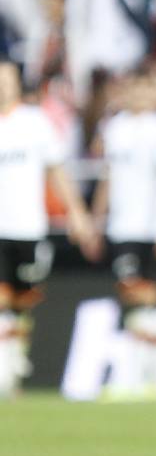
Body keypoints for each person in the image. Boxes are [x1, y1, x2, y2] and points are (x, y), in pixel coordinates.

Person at [90, 64, 156, 400]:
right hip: (121, 224)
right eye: (135, 87)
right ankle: (150, 375)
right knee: (135, 293)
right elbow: (107, 177)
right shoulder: (114, 127)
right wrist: (95, 220)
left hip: (152, 225)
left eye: (147, 88)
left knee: (141, 292)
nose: (140, 95)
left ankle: (150, 374)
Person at [0, 60, 96, 396]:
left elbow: (57, 172)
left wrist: (77, 214)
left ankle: (13, 367)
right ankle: (4, 372)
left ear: (17, 84)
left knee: (23, 303)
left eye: (7, 79)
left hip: (28, 226)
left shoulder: (35, 123)